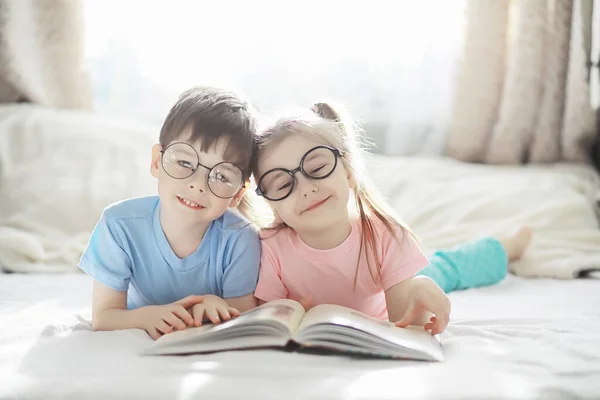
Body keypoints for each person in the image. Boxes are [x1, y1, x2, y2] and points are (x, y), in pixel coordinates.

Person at [252, 102, 532, 335]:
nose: (305, 188)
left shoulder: (386, 235)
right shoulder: (270, 248)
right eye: (282, 185)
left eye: (317, 168)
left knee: (447, 269)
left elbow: (406, 326)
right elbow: (273, 325)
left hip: (396, 283)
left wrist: (418, 299)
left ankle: (506, 247)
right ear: (272, 205)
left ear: (349, 171)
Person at [79, 87, 262, 339]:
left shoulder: (241, 239)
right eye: (185, 162)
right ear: (157, 161)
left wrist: (212, 307)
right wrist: (146, 316)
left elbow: (242, 317)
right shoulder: (118, 225)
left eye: (221, 176)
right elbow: (103, 317)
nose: (198, 185)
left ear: (238, 194)